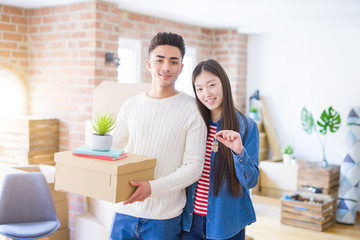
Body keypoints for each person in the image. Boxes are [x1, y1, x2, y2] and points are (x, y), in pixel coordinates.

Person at [110, 32, 207, 240]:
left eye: (173, 62)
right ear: (148, 64)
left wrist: (152, 188)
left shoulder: (193, 109)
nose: (166, 67)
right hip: (124, 212)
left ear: (181, 68)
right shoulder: (131, 105)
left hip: (164, 219)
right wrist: (73, 173)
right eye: (159, 60)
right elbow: (109, 149)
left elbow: (193, 167)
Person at [181, 59, 260, 240]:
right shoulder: (194, 123)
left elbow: (251, 181)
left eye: (211, 85)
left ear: (224, 84)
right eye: (199, 89)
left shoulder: (247, 126)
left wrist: (239, 152)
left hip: (225, 224)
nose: (206, 93)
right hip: (189, 222)